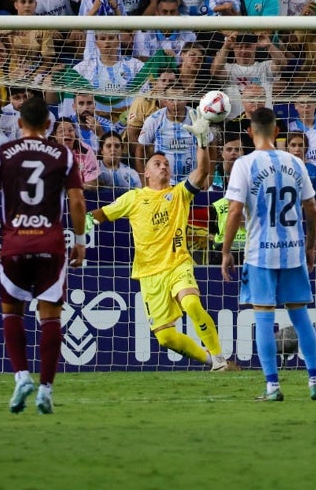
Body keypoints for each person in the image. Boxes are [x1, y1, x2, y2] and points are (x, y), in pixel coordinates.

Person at [94, 108, 239, 372]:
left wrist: (202, 142)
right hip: (149, 273)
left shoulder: (179, 193)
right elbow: (100, 215)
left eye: (166, 164)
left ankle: (218, 358)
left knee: (192, 303)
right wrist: (79, 221)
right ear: (146, 173)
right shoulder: (133, 198)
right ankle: (213, 361)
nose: (163, 166)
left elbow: (203, 170)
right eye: (157, 164)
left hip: (177, 264)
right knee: (166, 337)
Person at [0, 96, 87, 414]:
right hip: (50, 245)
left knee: (12, 312)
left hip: (14, 243)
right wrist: (79, 240)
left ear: (18, 122)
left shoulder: (2, 153)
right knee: (51, 316)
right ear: (48, 124)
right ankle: (46, 389)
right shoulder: (63, 154)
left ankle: (21, 376)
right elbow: (78, 202)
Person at [221, 106, 316, 401]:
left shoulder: (244, 164)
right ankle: (315, 383)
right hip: (293, 250)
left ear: (250, 131)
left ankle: (272, 387)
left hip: (259, 254)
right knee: (301, 316)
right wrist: (310, 244)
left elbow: (235, 210)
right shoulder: (295, 163)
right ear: (277, 131)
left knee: (264, 317)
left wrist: (227, 251)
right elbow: (312, 209)